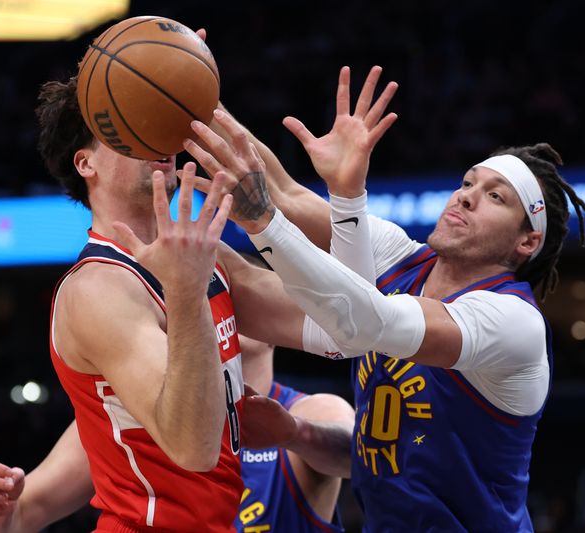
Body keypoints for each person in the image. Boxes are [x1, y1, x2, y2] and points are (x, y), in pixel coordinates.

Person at [183, 65, 585, 531]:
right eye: (467, 183)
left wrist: (332, 201)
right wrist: (190, 102)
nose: (465, 198)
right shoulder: (400, 257)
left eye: (495, 197)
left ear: (526, 242)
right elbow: (281, 192)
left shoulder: (511, 321)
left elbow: (365, 324)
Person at [29, 74, 355, 533]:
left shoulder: (208, 255)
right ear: (86, 163)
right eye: (127, 128)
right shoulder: (97, 288)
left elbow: (344, 323)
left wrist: (342, 198)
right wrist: (186, 294)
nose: (153, 134)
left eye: (157, 119)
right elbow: (193, 445)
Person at [0, 331, 355, 533]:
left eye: (240, 293)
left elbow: (361, 460)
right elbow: (21, 515)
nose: (224, 306)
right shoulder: (128, 413)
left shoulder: (311, 410)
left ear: (271, 325)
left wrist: (293, 434)